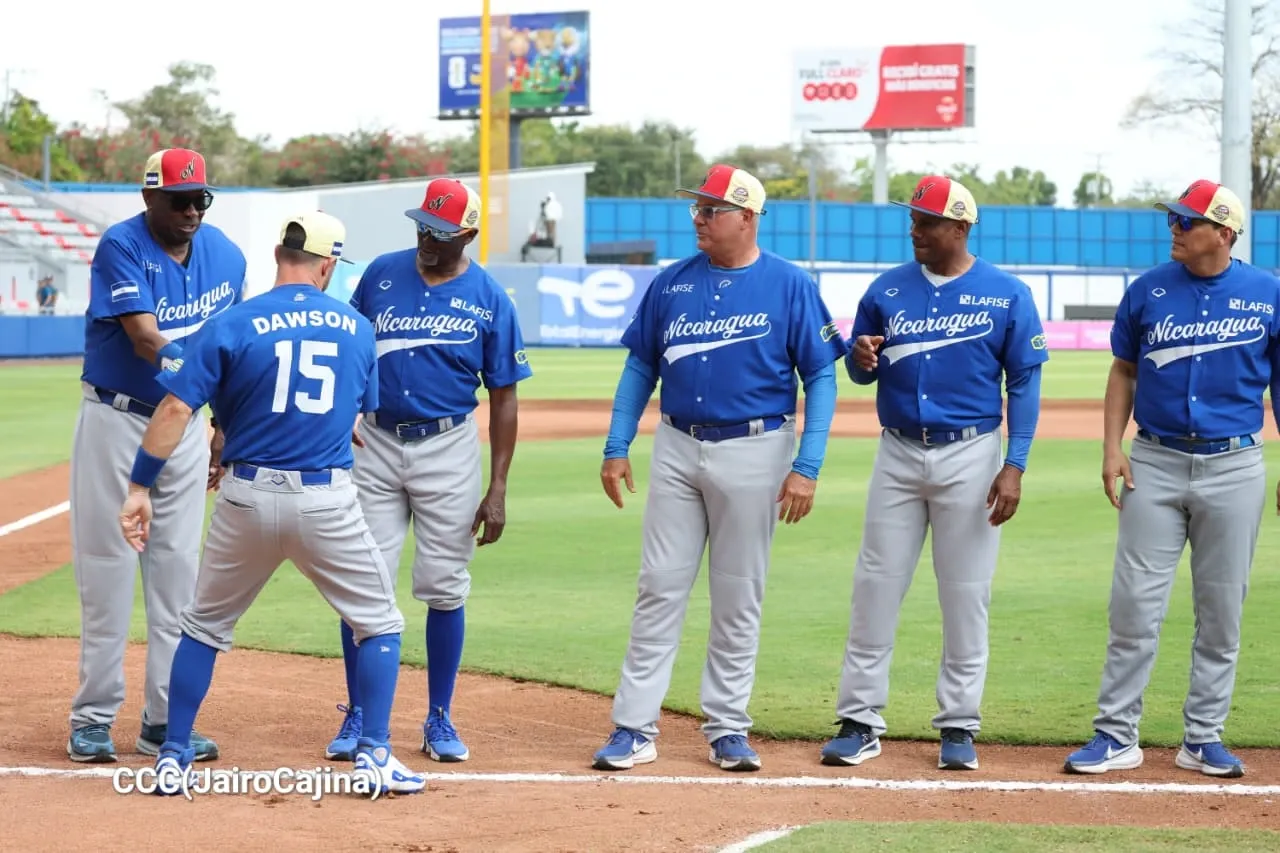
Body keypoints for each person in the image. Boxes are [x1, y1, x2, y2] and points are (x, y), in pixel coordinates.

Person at [116, 211, 426, 796]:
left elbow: (179, 409)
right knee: (379, 625)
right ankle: (376, 755)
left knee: (203, 628)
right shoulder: (359, 327)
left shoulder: (232, 321)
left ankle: (173, 756)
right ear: (328, 265)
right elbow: (361, 410)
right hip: (325, 500)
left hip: (246, 497)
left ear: (279, 256)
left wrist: (138, 488)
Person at [591, 164, 846, 773]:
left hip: (757, 449)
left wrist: (807, 464)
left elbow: (821, 375)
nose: (699, 218)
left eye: (712, 209)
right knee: (659, 586)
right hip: (678, 444)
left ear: (748, 217)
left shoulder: (790, 284)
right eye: (697, 208)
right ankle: (633, 727)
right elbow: (639, 368)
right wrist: (616, 442)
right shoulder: (672, 282)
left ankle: (728, 727)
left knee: (738, 594)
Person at [819, 175, 1048, 772]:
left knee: (965, 593)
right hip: (897, 451)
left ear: (961, 227)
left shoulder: (1006, 293)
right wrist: (860, 358)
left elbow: (1024, 382)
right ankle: (859, 719)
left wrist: (1014, 464)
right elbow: (861, 371)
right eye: (914, 220)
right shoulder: (887, 289)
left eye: (927, 221)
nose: (915, 229)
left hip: (972, 453)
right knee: (875, 586)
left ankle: (958, 726)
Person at [1064, 180, 1280, 779]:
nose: (1175, 229)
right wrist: (1111, 449)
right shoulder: (1148, 290)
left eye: (1188, 222)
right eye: (1175, 220)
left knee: (1221, 610)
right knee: (1133, 606)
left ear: (1225, 232)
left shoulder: (1269, 294)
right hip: (1153, 461)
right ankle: (1115, 735)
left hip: (1236, 464)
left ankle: (1203, 737)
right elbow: (1124, 369)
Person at [323, 178, 532, 765]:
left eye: (440, 231)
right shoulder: (382, 275)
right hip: (376, 442)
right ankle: (360, 711)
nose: (426, 238)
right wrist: (341, 420)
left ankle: (439, 716)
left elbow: (505, 396)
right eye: (422, 225)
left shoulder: (489, 295)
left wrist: (498, 487)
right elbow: (346, 351)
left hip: (448, 446)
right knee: (362, 583)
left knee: (444, 585)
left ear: (467, 233)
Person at [68, 148, 245, 764]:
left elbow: (232, 348)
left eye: (202, 198)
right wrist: (199, 386)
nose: (192, 209)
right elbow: (145, 339)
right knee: (108, 571)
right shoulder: (122, 245)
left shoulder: (227, 255)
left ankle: (165, 722)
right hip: (117, 420)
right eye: (179, 199)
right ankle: (92, 718)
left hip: (186, 430)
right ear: (150, 198)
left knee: (178, 579)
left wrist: (224, 421)